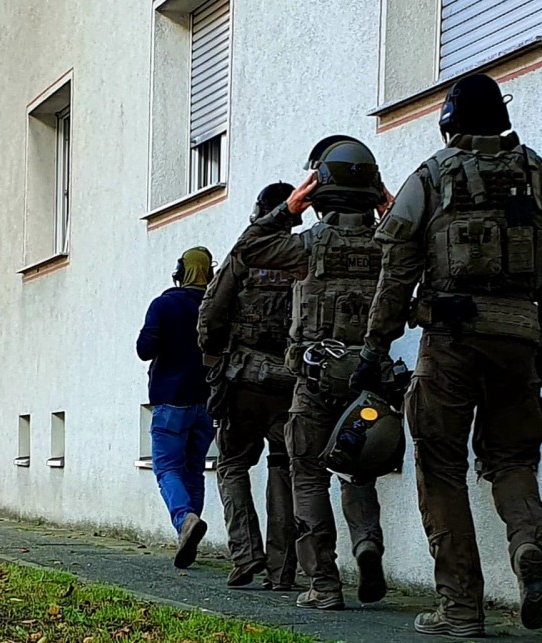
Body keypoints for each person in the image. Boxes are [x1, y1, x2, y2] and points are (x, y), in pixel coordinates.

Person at [353, 73, 542, 637]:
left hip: (450, 348)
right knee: (512, 461)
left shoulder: (432, 177)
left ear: (449, 122)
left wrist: (374, 347)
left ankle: (460, 609)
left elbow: (396, 275)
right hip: (521, 344)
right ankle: (528, 544)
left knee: (441, 468)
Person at [230, 137, 396, 610]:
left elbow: (248, 248)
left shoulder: (310, 244)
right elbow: (422, 243)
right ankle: (367, 544)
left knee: (308, 478)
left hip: (315, 378)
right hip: (370, 379)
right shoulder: (388, 243)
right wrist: (387, 204)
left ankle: (323, 583)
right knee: (358, 471)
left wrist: (288, 205)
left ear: (319, 189)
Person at [198, 183, 301, 590]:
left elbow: (209, 315)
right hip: (290, 382)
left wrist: (212, 351)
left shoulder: (243, 258)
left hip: (242, 380)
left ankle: (245, 555)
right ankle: (282, 570)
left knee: (233, 464)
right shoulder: (303, 257)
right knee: (283, 467)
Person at [137, 247, 217, 569]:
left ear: (179, 272)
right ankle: (190, 534)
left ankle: (184, 520)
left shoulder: (164, 305)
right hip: (207, 401)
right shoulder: (216, 306)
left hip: (171, 400)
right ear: (209, 274)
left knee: (167, 469)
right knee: (193, 469)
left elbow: (145, 350)